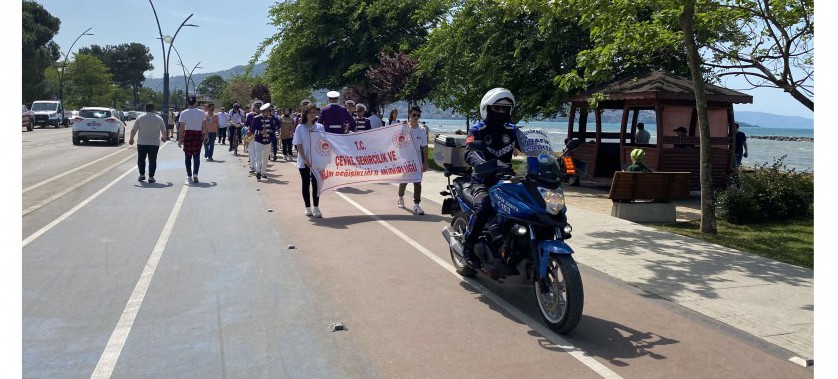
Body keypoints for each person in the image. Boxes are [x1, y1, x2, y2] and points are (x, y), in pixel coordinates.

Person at [461, 88, 521, 270]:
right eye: (497, 108)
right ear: (487, 109)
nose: (502, 112)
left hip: (507, 180)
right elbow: (469, 151)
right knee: (485, 204)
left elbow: (532, 147)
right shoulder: (478, 129)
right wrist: (482, 165)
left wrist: (550, 160)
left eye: (505, 109)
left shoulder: (513, 130)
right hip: (483, 179)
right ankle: (468, 246)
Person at [293, 104, 325, 218]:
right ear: (305, 114)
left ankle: (316, 207)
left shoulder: (320, 127)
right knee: (305, 183)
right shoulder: (299, 128)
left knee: (316, 184)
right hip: (304, 161)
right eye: (310, 112)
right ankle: (308, 207)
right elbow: (299, 145)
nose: (312, 115)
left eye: (314, 112)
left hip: (317, 161)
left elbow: (323, 144)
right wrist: (305, 159)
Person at [396, 106, 429, 215]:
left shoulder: (422, 130)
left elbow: (424, 147)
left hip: (417, 160)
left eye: (418, 115)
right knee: (404, 181)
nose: (416, 117)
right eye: (414, 115)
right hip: (406, 160)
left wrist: (425, 162)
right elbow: (397, 142)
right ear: (410, 115)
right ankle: (400, 197)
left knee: (417, 182)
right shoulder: (405, 129)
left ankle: (416, 204)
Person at [129, 103, 168, 183]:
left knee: (141, 159)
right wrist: (164, 137)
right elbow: (164, 131)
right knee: (152, 160)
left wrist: (131, 138)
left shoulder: (140, 118)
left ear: (145, 109)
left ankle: (142, 175)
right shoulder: (159, 118)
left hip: (142, 142)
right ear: (154, 109)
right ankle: (151, 177)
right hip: (154, 143)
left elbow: (134, 130)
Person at [177, 96, 208, 184]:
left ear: (187, 102)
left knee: (187, 156)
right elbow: (204, 125)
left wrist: (180, 139)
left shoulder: (183, 113)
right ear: (195, 103)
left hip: (188, 134)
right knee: (196, 155)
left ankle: (189, 175)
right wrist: (206, 135)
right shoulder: (201, 112)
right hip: (198, 134)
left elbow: (181, 127)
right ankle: (195, 174)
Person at [250, 103, 279, 180]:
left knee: (265, 158)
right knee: (258, 157)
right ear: (263, 111)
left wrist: (275, 134)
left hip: (268, 141)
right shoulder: (256, 118)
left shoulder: (270, 119)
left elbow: (273, 129)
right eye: (267, 111)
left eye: (268, 111)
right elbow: (252, 130)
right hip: (258, 141)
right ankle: (258, 172)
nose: (268, 113)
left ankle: (263, 172)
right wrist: (260, 132)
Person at [246, 100, 264, 172]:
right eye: (257, 106)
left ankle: (258, 167)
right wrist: (247, 129)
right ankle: (252, 166)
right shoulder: (250, 115)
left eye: (260, 106)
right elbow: (247, 124)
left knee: (259, 152)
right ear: (254, 107)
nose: (258, 108)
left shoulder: (264, 115)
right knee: (252, 151)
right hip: (252, 135)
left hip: (260, 136)